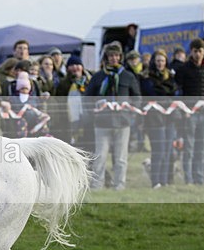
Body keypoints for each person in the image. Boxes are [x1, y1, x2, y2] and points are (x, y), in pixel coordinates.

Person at [85, 43, 141, 190]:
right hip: (102, 123)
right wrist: (94, 112)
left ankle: (119, 184)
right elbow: (87, 98)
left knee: (121, 157)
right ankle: (97, 185)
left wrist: (130, 113)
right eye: (110, 56)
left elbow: (137, 97)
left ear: (120, 57)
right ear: (106, 58)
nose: (113, 58)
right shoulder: (98, 77)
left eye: (116, 55)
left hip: (122, 122)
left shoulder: (128, 76)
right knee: (100, 156)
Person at [175, 38, 204, 185]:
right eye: (195, 51)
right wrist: (184, 109)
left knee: (201, 146)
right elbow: (179, 90)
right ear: (191, 52)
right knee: (189, 146)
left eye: (200, 51)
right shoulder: (184, 69)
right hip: (189, 113)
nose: (198, 54)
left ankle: (199, 177)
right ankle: (189, 178)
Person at [140, 49, 177, 188]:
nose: (160, 63)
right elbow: (151, 92)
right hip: (155, 118)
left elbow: (174, 91)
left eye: (162, 60)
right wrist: (165, 91)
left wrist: (163, 91)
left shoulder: (170, 76)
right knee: (159, 150)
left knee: (167, 151)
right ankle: (155, 181)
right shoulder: (146, 77)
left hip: (169, 117)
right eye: (158, 61)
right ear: (153, 62)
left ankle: (164, 180)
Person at [54, 54, 92, 151]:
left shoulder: (90, 81)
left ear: (82, 67)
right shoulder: (63, 83)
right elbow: (59, 101)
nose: (75, 67)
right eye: (72, 65)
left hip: (88, 120)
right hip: (69, 120)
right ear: (67, 68)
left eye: (77, 64)